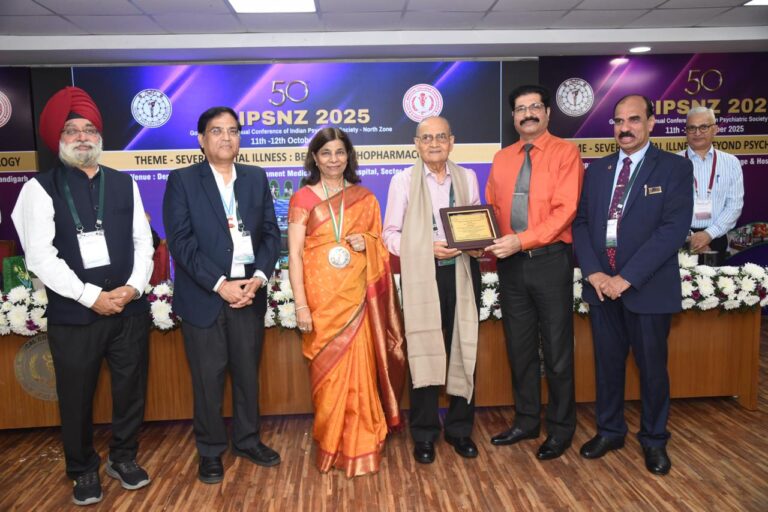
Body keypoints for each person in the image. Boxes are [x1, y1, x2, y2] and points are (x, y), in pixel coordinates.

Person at [11, 86, 154, 506]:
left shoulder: (124, 183)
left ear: (99, 136)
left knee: (131, 390)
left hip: (128, 310)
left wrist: (133, 287)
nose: (82, 137)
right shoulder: (39, 188)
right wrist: (90, 296)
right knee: (75, 396)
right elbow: (40, 256)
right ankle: (82, 468)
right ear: (58, 139)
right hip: (75, 316)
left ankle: (123, 458)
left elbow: (143, 242)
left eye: (89, 129)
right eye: (72, 130)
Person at [572, 94, 693, 475]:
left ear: (651, 123)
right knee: (607, 366)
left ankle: (655, 439)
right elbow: (581, 224)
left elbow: (672, 230)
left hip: (645, 288)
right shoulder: (598, 169)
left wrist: (625, 279)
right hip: (601, 288)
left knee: (652, 369)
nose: (625, 128)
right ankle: (610, 431)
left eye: (634, 120)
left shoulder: (674, 168)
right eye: (619, 121)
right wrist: (594, 273)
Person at [163, 106, 281, 484]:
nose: (226, 137)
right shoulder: (183, 180)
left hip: (248, 293)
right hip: (206, 297)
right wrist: (219, 284)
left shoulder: (255, 177)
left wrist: (258, 278)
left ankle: (247, 440)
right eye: (217, 131)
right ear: (201, 139)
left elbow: (270, 234)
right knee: (207, 380)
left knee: (247, 375)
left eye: (233, 130)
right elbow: (181, 242)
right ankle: (211, 450)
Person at [288, 127, 405, 477]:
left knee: (359, 372)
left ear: (348, 156)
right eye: (326, 153)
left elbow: (381, 246)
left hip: (356, 298)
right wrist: (301, 305)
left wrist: (366, 241)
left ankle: (360, 443)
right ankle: (331, 443)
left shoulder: (365, 198)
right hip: (321, 300)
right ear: (315, 158)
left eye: (340, 152)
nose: (333, 159)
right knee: (327, 378)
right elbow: (294, 255)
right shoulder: (302, 199)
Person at [485, 84, 583, 460]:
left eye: (534, 107)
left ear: (547, 113)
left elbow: (566, 210)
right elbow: (492, 209)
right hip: (511, 266)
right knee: (520, 348)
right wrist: (480, 239)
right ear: (513, 117)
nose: (527, 114)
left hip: (549, 260)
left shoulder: (566, 153)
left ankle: (560, 428)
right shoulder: (501, 158)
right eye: (520, 109)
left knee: (557, 351)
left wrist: (521, 240)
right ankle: (526, 421)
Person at [382, 116, 482, 464]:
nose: (434, 143)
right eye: (427, 138)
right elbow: (390, 235)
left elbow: (475, 224)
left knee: (464, 345)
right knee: (423, 348)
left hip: (463, 274)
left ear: (452, 141)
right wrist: (427, 247)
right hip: (423, 275)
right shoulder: (402, 181)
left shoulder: (467, 177)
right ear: (416, 144)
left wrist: (477, 241)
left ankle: (459, 429)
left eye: (441, 137)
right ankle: (424, 433)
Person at [680, 106, 744, 265]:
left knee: (715, 281)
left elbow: (734, 205)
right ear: (686, 131)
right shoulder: (672, 163)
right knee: (682, 281)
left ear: (715, 129)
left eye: (703, 127)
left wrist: (709, 234)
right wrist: (690, 237)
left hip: (717, 238)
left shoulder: (731, 163)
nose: (697, 133)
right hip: (680, 238)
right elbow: (665, 207)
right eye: (692, 128)